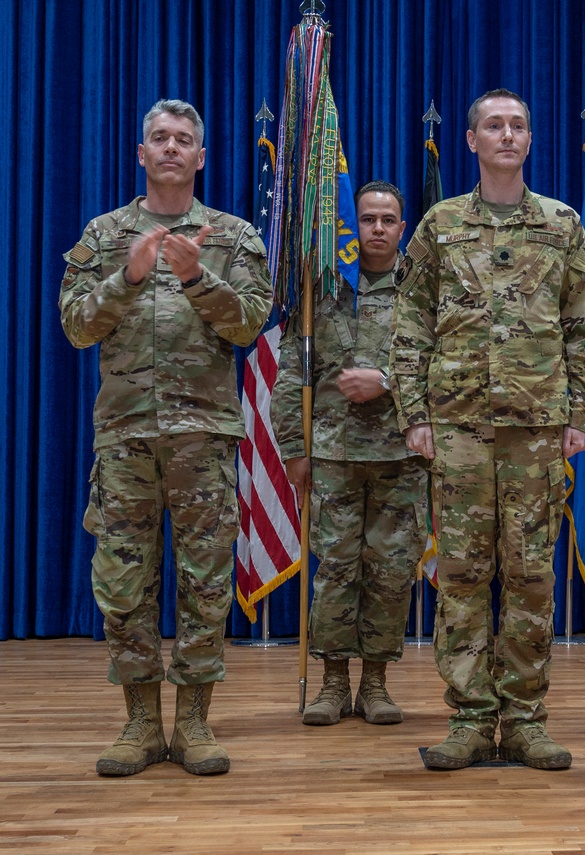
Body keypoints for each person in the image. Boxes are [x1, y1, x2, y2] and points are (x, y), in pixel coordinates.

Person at [390, 88, 585, 770]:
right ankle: (469, 718)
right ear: (471, 140)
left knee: (530, 575)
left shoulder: (562, 225)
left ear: (531, 140)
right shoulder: (439, 226)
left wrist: (583, 413)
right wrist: (414, 415)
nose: (507, 134)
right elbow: (410, 325)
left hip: (538, 429)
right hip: (456, 429)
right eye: (493, 124)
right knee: (458, 576)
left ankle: (524, 718)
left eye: (518, 124)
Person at [59, 99, 272, 777]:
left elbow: (248, 325)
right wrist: (127, 276)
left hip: (202, 438)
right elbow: (75, 326)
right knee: (124, 583)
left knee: (206, 583)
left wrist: (192, 274)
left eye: (185, 139)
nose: (172, 147)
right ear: (141, 153)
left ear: (201, 157)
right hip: (124, 437)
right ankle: (141, 724)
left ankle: (195, 723)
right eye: (160, 137)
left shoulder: (233, 237)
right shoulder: (104, 234)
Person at [271, 180, 427, 727]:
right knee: (335, 569)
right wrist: (293, 447)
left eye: (388, 219)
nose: (378, 229)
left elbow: (447, 366)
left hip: (402, 456)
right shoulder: (322, 287)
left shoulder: (422, 287)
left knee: (389, 571)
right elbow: (293, 374)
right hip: (333, 454)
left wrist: (388, 382)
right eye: (367, 219)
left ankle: (377, 682)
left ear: (403, 227)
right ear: (351, 224)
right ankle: (334, 681)